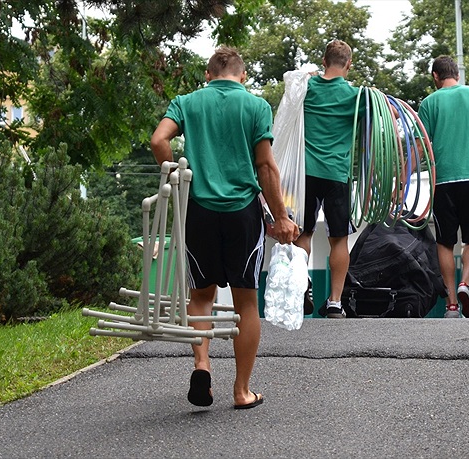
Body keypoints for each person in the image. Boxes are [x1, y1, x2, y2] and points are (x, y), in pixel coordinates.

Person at [150, 46, 299, 409]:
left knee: (201, 295)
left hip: (197, 210)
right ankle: (241, 390)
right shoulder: (255, 106)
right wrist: (281, 216)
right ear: (243, 76)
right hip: (241, 213)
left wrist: (177, 175)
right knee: (246, 300)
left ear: (208, 75)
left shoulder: (187, 102)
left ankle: (202, 364)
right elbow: (265, 166)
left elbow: (158, 141)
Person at [418, 55, 469, 318]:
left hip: (443, 182)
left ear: (435, 76)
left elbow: (422, 146)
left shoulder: (429, 103)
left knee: (444, 242)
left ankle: (452, 303)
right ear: (456, 73)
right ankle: (466, 282)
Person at [293, 39, 362, 319]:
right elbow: (389, 117)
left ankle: (302, 287)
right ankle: (335, 302)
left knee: (303, 233)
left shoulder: (306, 88)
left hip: (306, 172)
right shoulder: (356, 96)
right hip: (336, 174)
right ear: (348, 64)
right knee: (338, 240)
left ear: (323, 61)